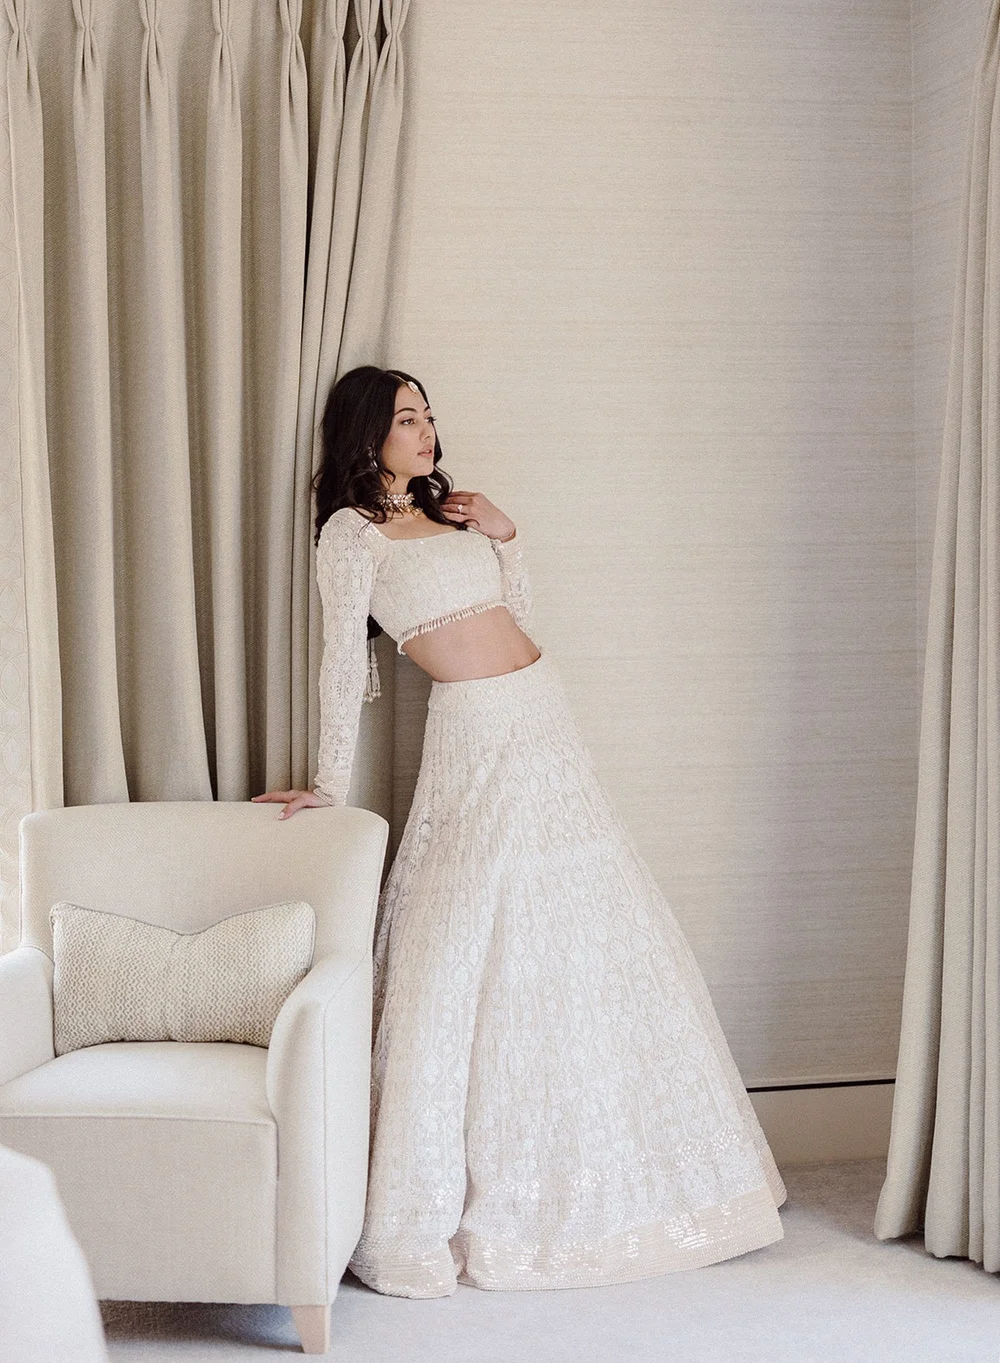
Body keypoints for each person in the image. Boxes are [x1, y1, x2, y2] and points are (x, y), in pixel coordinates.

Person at [252, 365, 787, 1299]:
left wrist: (508, 536)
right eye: (407, 417)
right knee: (467, 933)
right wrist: (330, 785)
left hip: (543, 713)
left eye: (428, 415)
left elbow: (521, 620)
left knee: (584, 923)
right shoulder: (351, 533)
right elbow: (343, 664)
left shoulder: (454, 514)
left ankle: (632, 1176)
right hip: (475, 728)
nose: (426, 430)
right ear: (367, 432)